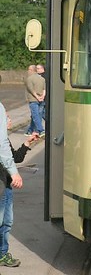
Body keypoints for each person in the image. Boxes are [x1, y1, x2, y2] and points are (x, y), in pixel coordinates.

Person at [0, 102, 23, 267]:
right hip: (3, 180)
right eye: (6, 116)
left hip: (5, 182)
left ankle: (2, 254)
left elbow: (15, 156)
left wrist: (27, 145)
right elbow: (4, 150)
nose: (8, 118)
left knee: (7, 220)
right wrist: (14, 172)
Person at [24, 65, 45, 137]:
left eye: (29, 70)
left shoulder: (29, 79)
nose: (28, 71)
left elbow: (31, 90)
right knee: (36, 115)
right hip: (42, 99)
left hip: (33, 100)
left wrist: (37, 97)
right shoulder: (42, 79)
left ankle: (41, 130)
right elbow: (44, 89)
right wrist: (42, 96)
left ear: (32, 70)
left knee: (35, 115)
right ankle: (30, 130)